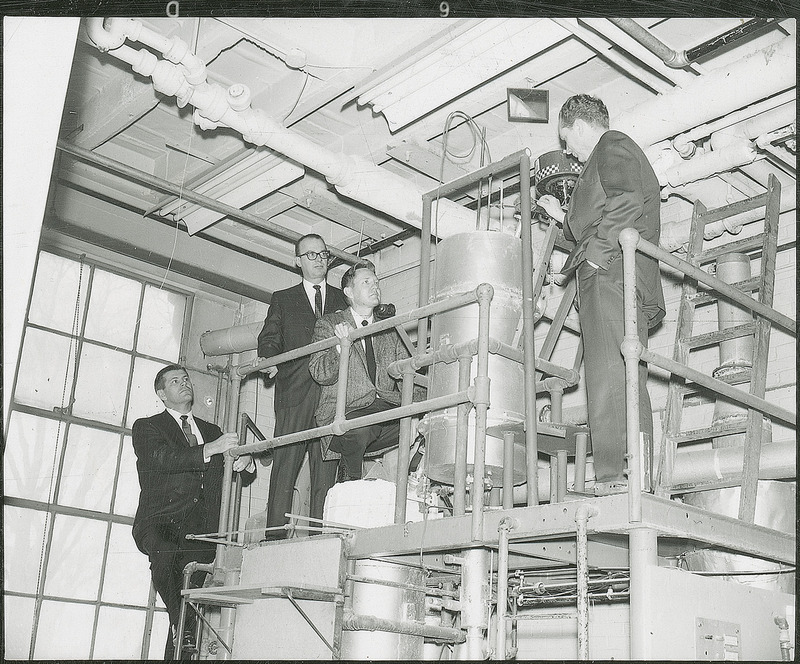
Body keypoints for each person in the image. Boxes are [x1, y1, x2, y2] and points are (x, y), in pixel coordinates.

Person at [537, 94, 665, 496]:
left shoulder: (612, 145)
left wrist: (591, 260)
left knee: (610, 372)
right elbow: (599, 215)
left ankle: (615, 474)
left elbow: (626, 203)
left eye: (565, 139)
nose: (566, 150)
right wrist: (562, 217)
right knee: (619, 373)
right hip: (613, 274)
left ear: (576, 125)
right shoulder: (603, 159)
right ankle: (632, 470)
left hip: (611, 275)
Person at [132, 365, 255, 658]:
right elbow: (163, 458)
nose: (184, 383)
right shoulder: (147, 426)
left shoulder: (211, 431)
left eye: (185, 379)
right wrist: (210, 449)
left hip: (201, 531)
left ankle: (182, 633)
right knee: (164, 560)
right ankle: (184, 627)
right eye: (175, 381)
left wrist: (245, 462)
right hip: (161, 521)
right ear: (162, 394)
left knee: (188, 609)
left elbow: (233, 469)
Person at [256, 234, 347, 538]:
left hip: (332, 394)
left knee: (326, 471)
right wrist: (268, 358)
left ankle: (320, 538)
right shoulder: (283, 298)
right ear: (297, 260)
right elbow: (269, 337)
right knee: (285, 465)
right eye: (311, 255)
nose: (319, 259)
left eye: (323, 254)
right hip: (294, 391)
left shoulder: (342, 299)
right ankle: (275, 536)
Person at [308, 259, 411, 481]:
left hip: (384, 407)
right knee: (362, 429)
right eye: (366, 282)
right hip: (347, 409)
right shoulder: (329, 323)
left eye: (376, 282)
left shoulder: (389, 328)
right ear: (349, 292)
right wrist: (339, 347)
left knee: (420, 425)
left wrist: (425, 409)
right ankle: (348, 481)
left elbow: (407, 372)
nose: (375, 286)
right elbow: (319, 373)